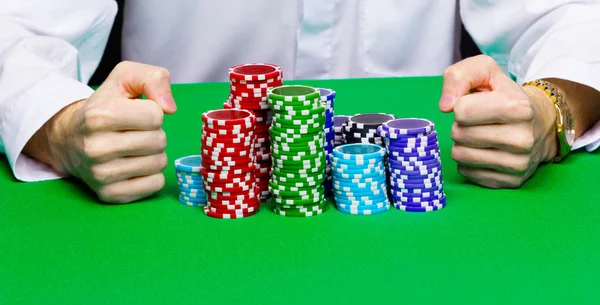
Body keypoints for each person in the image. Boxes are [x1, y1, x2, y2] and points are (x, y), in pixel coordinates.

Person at [1, 0, 599, 204]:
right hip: (173, 203)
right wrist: (61, 126)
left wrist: (552, 109)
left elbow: (570, 16)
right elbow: (18, 25)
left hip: (419, 235)